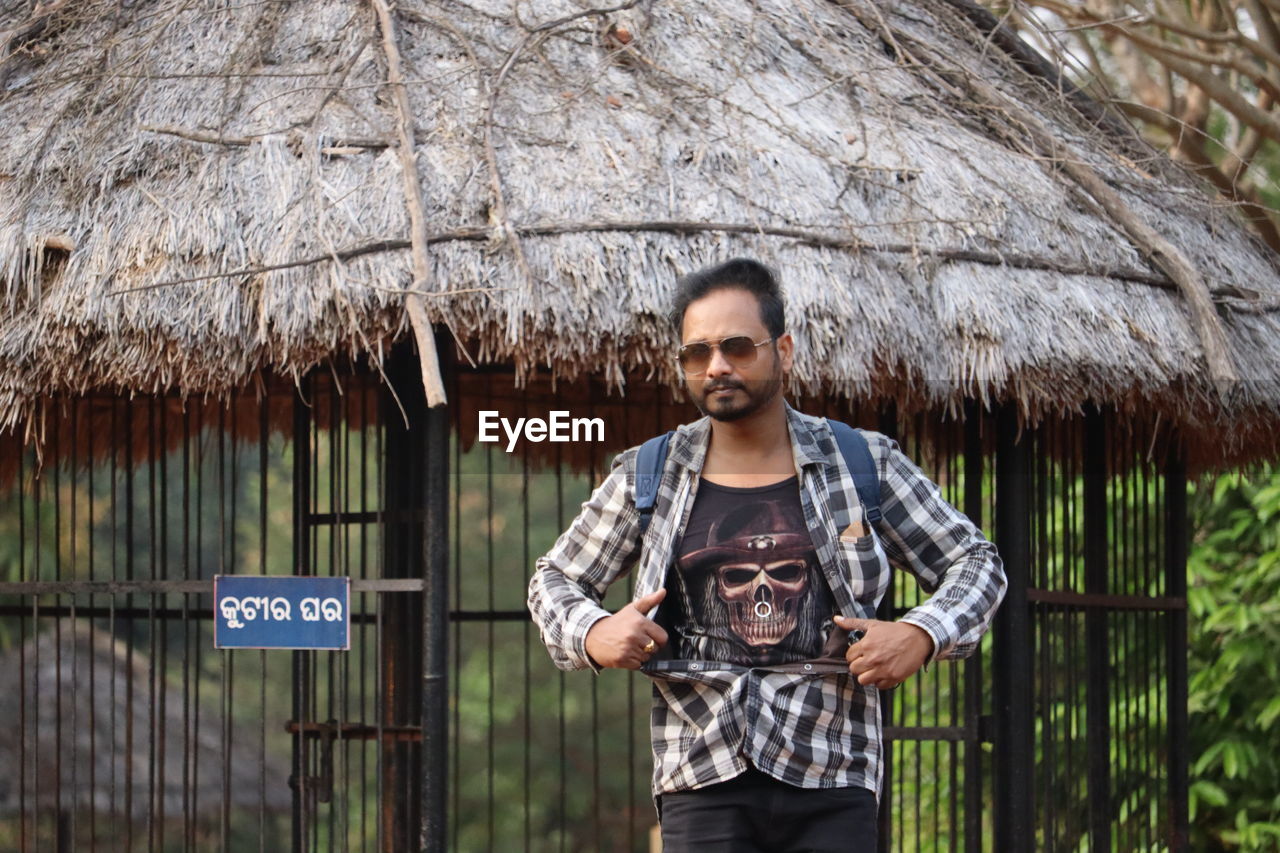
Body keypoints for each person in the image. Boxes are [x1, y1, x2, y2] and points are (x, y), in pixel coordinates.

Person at [527, 258, 1006, 852]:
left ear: (784, 349)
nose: (717, 366)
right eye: (697, 353)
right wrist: (593, 630)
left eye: (736, 346)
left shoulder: (864, 464)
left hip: (834, 770)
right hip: (701, 774)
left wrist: (922, 633)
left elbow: (976, 562)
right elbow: (555, 579)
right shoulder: (649, 475)